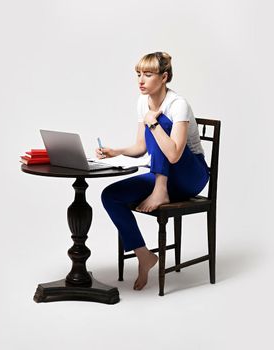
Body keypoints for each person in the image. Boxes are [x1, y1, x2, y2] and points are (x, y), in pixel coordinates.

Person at [96, 52, 210, 291]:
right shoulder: (142, 102)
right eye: (138, 74)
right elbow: (142, 147)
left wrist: (154, 122)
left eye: (148, 75)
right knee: (111, 196)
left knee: (163, 124)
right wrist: (115, 151)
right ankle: (144, 255)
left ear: (164, 76)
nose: (141, 80)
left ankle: (160, 190)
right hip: (164, 173)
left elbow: (174, 154)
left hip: (191, 175)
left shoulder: (178, 104)